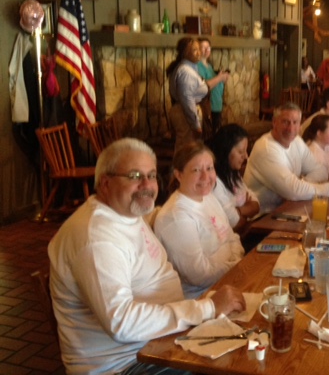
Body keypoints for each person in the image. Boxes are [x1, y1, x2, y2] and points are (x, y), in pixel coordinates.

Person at [48, 138, 245, 375]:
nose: (147, 185)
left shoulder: (126, 212)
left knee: (248, 344)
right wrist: (206, 309)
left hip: (159, 343)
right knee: (237, 366)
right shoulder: (97, 239)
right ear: (105, 183)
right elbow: (121, 322)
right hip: (124, 365)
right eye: (134, 176)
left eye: (151, 175)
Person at [154, 142, 245, 299]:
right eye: (196, 170)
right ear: (178, 175)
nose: (205, 177)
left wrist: (237, 261)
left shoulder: (208, 196)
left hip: (230, 280)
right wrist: (235, 265)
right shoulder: (176, 217)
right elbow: (199, 276)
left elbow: (232, 237)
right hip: (203, 297)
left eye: (209, 168)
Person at [244, 102, 329, 211]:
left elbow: (320, 170)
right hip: (264, 215)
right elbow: (294, 191)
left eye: (295, 122)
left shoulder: (296, 141)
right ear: (274, 122)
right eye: (285, 122)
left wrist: (301, 184)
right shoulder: (266, 149)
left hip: (289, 207)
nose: (291, 128)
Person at [209, 124, 260, 232]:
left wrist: (239, 211)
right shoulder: (215, 182)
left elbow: (256, 205)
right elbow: (235, 223)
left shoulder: (232, 175)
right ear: (225, 151)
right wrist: (246, 209)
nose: (246, 156)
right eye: (241, 151)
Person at [167, 37, 209, 150]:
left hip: (186, 113)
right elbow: (187, 99)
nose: (199, 53)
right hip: (185, 115)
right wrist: (195, 125)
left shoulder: (189, 68)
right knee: (187, 149)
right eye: (195, 50)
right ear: (185, 52)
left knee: (188, 148)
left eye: (199, 49)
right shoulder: (185, 71)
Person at [197, 38, 230, 137]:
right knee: (211, 136)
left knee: (216, 134)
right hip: (209, 107)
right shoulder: (198, 66)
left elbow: (215, 81)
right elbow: (203, 87)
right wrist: (220, 78)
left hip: (216, 105)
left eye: (208, 47)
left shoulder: (209, 66)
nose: (207, 50)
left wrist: (222, 77)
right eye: (203, 47)